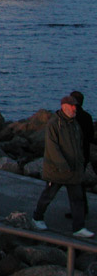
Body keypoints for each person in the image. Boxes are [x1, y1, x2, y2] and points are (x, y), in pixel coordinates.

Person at [32, 95, 94, 238]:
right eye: (73, 106)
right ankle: (37, 218)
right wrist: (62, 165)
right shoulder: (55, 124)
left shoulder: (74, 124)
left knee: (77, 199)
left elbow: (79, 144)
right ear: (64, 106)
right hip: (57, 171)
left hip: (73, 170)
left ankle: (79, 227)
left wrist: (80, 163)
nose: (75, 109)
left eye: (75, 106)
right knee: (48, 196)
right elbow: (53, 148)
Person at [71, 90, 94, 216]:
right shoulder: (87, 117)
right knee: (78, 183)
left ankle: (79, 210)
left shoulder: (71, 117)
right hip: (84, 153)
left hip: (73, 154)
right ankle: (81, 209)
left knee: (74, 184)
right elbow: (90, 136)